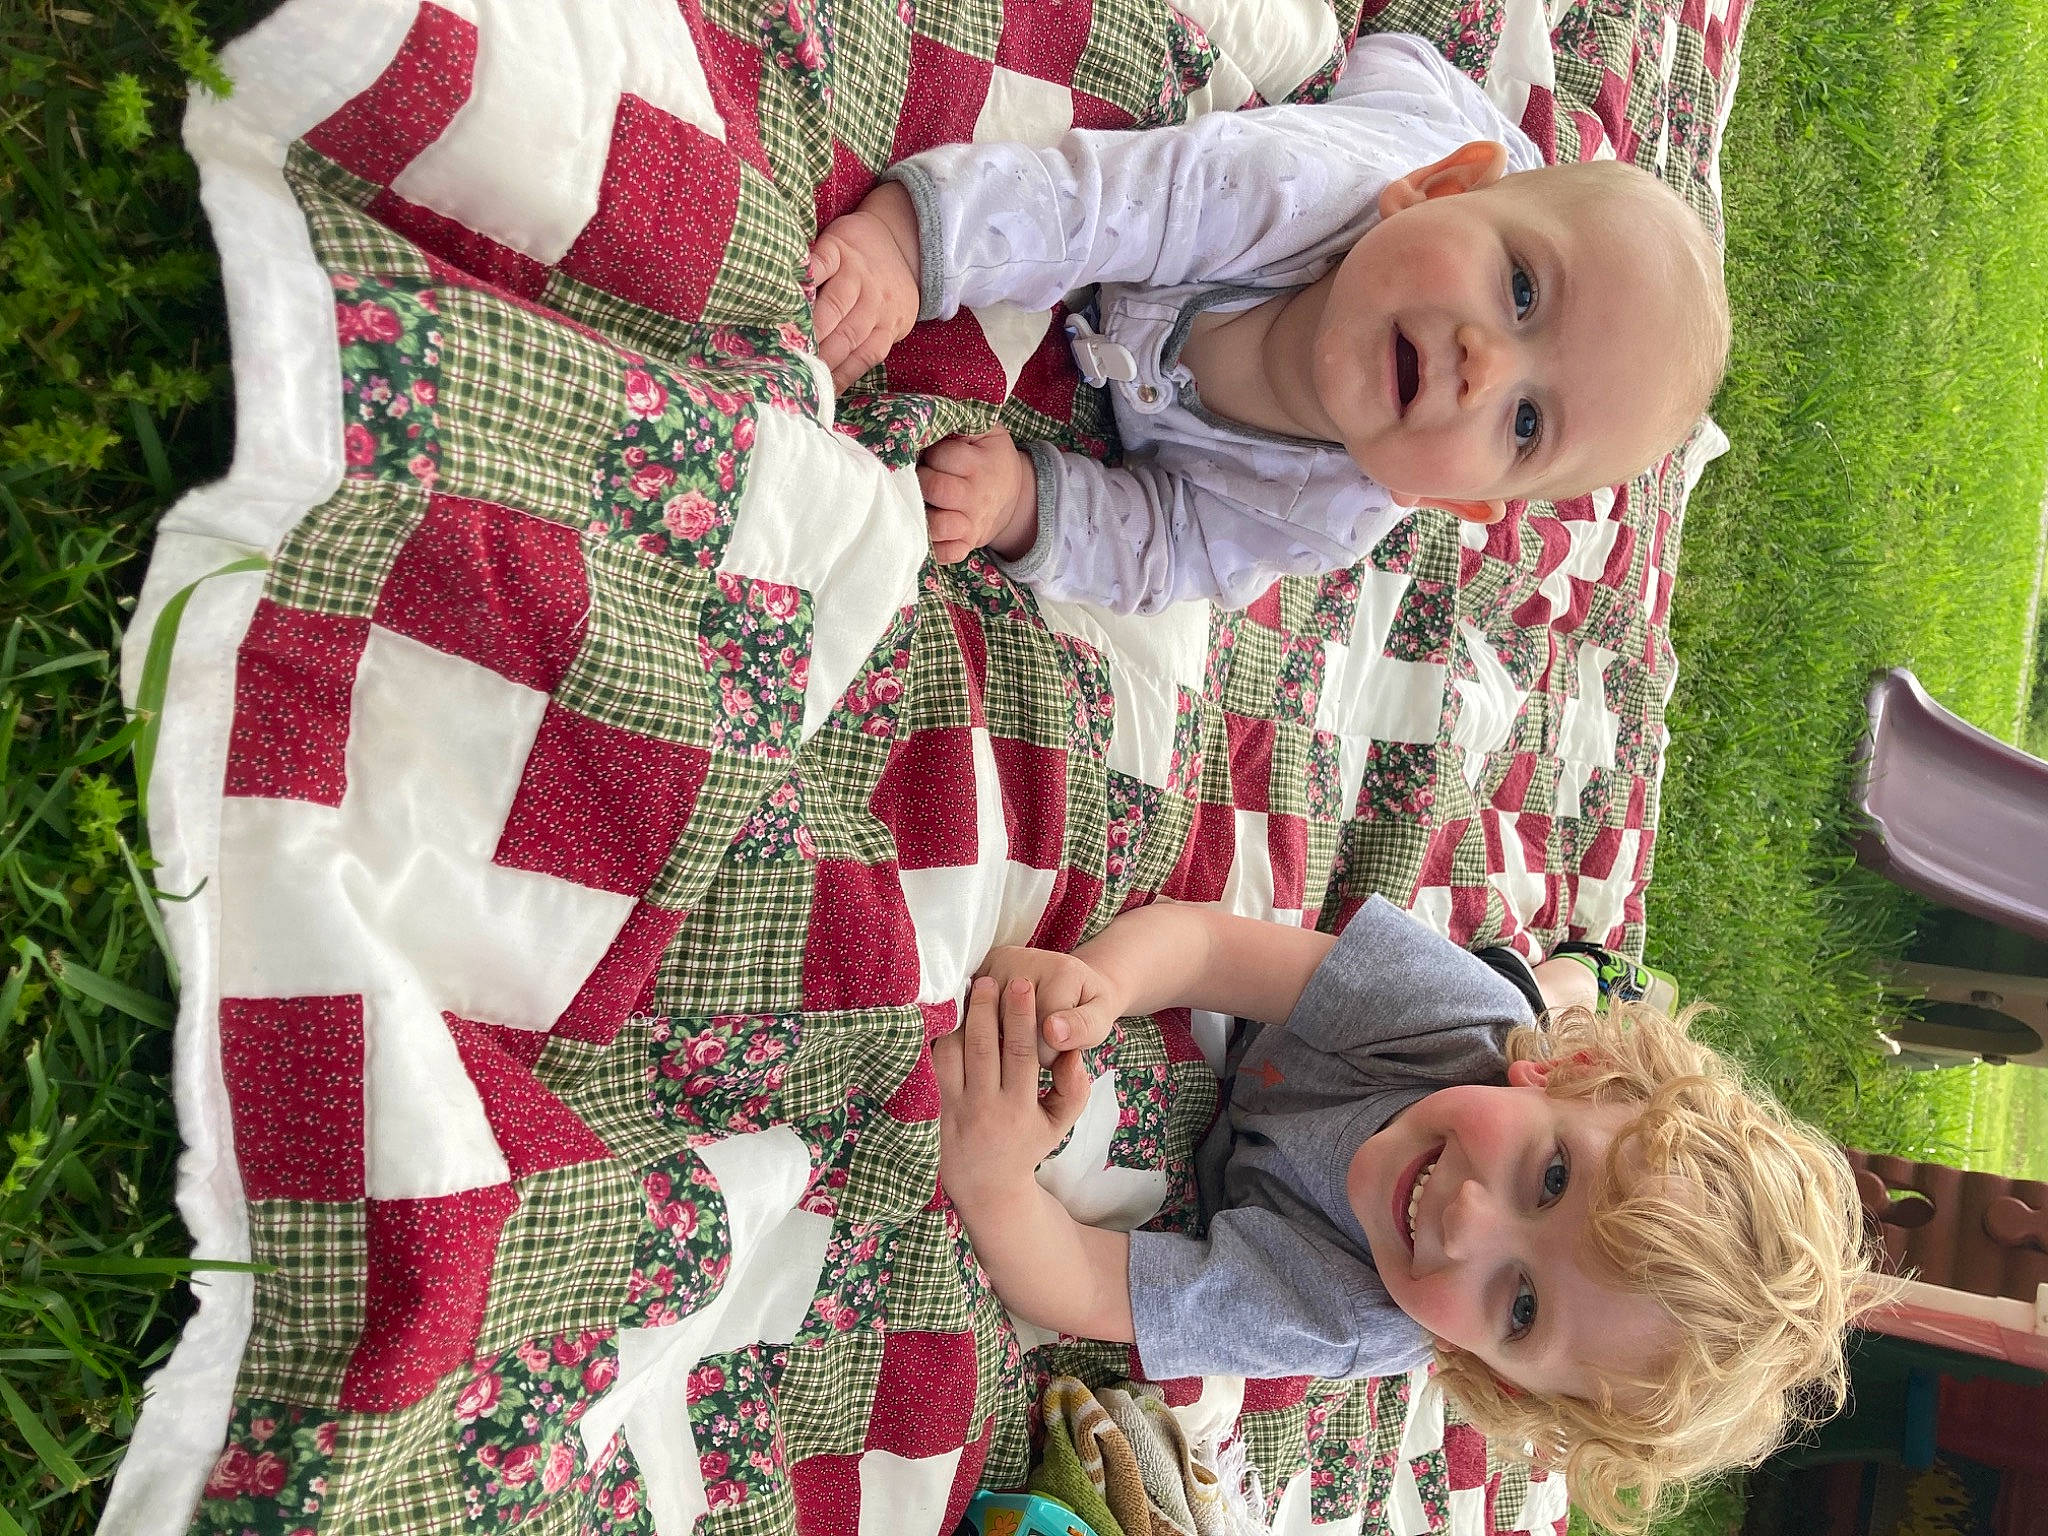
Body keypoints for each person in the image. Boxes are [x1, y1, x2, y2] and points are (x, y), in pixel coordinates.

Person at [933, 898, 1878, 1527]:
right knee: (1514, 988)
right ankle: (1579, 981)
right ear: (1569, 1077)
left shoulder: (1354, 1317)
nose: (1466, 1222)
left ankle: (1575, 994)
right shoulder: (1457, 1023)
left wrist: (993, 1180)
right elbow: (1210, 948)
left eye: (1522, 1308)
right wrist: (1099, 992)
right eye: (1553, 1178)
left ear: (1499, 1378)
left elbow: (1084, 1287)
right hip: (1466, 1021)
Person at [806, 32, 1731, 615]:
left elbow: (1170, 547)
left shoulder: (1327, 518)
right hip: (1406, 120)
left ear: (1452, 500)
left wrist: (1027, 507)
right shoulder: (1282, 188)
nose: (1482, 368)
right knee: (1381, 62)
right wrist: (913, 245)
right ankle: (1473, 142)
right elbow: (1091, 205)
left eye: (1526, 424)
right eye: (1522, 290)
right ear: (1436, 190)